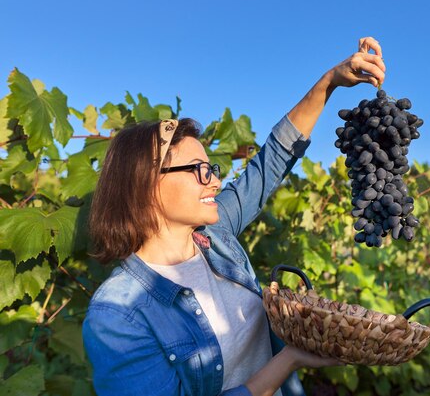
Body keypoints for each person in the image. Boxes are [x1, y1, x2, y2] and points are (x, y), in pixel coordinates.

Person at [82, 37, 386, 396]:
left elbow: (271, 160)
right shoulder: (117, 315)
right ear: (144, 184)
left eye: (211, 167)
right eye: (198, 169)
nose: (214, 180)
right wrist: (288, 360)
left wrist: (330, 82)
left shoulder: (215, 236)